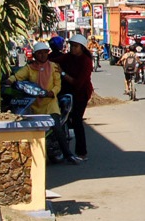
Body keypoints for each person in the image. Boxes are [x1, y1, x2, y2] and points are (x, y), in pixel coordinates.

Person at [10, 42, 78, 163]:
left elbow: (58, 85)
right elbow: (18, 76)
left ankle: (68, 154)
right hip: (34, 103)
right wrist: (10, 80)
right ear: (35, 55)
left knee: (57, 126)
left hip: (50, 103)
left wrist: (52, 92)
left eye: (45, 53)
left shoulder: (53, 67)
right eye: (39, 53)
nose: (42, 55)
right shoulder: (29, 68)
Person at [53, 33, 94, 161]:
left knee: (77, 120)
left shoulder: (86, 62)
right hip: (65, 91)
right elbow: (54, 62)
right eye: (71, 46)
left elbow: (78, 83)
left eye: (76, 46)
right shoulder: (68, 57)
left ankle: (82, 152)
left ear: (82, 47)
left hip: (81, 93)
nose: (73, 48)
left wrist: (63, 73)